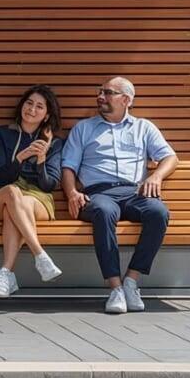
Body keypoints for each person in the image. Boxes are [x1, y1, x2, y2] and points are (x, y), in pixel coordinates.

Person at [61, 76, 177, 314]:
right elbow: (68, 167)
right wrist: (72, 192)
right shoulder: (83, 129)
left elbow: (170, 158)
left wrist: (156, 177)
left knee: (158, 212)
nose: (100, 97)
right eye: (100, 91)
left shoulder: (144, 128)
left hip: (133, 192)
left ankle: (131, 281)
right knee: (104, 212)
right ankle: (114, 287)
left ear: (126, 100)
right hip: (97, 194)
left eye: (108, 93)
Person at [0, 85, 66, 297]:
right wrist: (20, 157)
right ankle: (39, 256)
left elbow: (50, 185)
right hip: (2, 193)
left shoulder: (55, 143)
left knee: (16, 209)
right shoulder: (2, 134)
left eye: (39, 106)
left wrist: (41, 162)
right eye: (29, 103)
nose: (32, 109)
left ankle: (5, 275)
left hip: (37, 197)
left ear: (47, 115)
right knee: (13, 194)